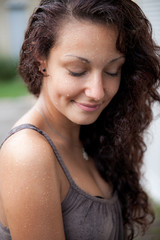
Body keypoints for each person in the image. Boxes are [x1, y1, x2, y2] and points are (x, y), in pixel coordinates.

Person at [0, 0, 160, 239]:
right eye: (77, 70)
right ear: (41, 59)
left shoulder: (90, 134)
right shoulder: (28, 153)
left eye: (112, 70)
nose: (97, 91)